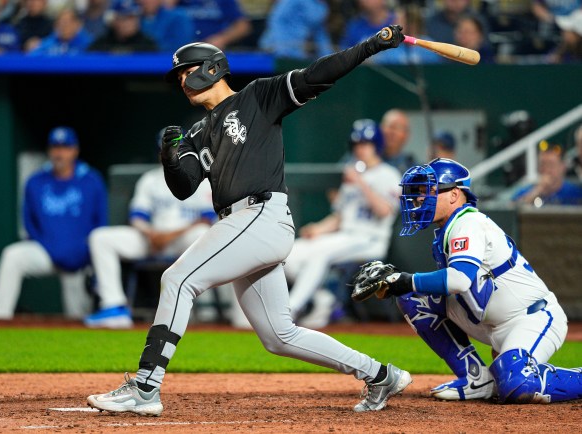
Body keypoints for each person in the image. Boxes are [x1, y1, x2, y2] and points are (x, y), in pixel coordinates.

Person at [87, 25, 413, 416]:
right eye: (178, 77)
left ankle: (145, 387)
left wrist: (371, 45)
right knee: (279, 336)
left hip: (261, 214)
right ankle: (380, 374)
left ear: (210, 68)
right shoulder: (197, 132)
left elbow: (318, 75)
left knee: (177, 279)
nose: (183, 81)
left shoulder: (257, 97)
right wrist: (170, 157)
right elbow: (184, 188)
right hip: (241, 224)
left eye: (186, 71)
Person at [352, 157, 582, 404]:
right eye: (419, 192)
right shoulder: (447, 228)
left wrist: (404, 280)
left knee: (518, 383)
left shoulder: (468, 222)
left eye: (428, 191)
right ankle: (476, 378)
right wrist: (401, 285)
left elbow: (459, 280)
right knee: (413, 298)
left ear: (454, 194)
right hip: (490, 321)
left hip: (530, 318)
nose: (419, 198)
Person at [84, 131, 215, 329]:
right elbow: (137, 218)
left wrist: (169, 235)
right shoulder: (150, 179)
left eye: (176, 149)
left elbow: (208, 219)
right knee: (100, 238)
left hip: (185, 241)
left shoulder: (201, 178)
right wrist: (150, 234)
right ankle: (114, 306)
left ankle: (208, 310)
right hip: (152, 239)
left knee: (206, 235)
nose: (171, 154)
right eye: (165, 150)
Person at [283, 119, 401, 327]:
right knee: (289, 254)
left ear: (377, 146)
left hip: (370, 239)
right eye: (357, 145)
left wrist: (361, 183)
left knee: (320, 255)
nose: (360, 149)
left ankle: (291, 310)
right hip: (344, 236)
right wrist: (318, 229)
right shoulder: (353, 174)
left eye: (366, 144)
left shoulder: (389, 175)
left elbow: (384, 211)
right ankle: (322, 298)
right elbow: (340, 218)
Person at [0, 126, 108, 320]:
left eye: (65, 147)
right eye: (55, 147)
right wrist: (53, 250)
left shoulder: (91, 179)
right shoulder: (36, 181)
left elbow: (100, 224)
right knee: (12, 256)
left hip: (79, 258)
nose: (59, 153)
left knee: (77, 317)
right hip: (47, 252)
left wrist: (83, 255)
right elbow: (29, 223)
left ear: (75, 150)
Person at [511, 140, 582, 206]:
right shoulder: (527, 191)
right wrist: (537, 192)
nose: (546, 170)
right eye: (542, 164)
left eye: (551, 165)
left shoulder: (575, 192)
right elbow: (510, 211)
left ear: (563, 167)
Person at [258, 0, 334, 60]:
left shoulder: (323, 7)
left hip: (298, 51)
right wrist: (281, 47)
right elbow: (277, 19)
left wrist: (328, 57)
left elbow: (319, 32)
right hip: (275, 49)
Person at [87, 0, 157, 54]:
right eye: (124, 18)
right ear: (114, 20)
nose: (128, 23)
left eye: (132, 17)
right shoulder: (101, 45)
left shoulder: (148, 46)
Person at [177, 0, 251, 50]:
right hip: (178, 49)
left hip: (216, 51)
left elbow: (243, 26)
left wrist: (222, 39)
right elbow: (167, 15)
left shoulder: (223, 1)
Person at [29, 7, 93, 55]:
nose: (64, 26)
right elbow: (33, 58)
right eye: (61, 23)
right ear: (56, 25)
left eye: (68, 22)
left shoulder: (87, 44)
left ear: (76, 25)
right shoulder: (49, 43)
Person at [380, 108, 415, 174]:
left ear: (406, 135)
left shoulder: (412, 168)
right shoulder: (365, 160)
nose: (393, 133)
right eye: (390, 127)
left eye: (398, 128)